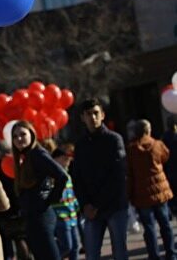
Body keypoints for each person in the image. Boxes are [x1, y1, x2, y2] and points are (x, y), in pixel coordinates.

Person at [71, 98, 128, 260]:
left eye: (96, 113)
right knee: (92, 253)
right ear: (82, 117)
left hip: (114, 206)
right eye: (88, 114)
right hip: (90, 209)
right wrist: (85, 204)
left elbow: (118, 176)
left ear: (102, 115)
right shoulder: (81, 145)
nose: (92, 117)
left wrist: (96, 204)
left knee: (119, 252)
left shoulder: (114, 139)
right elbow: (77, 177)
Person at [11, 120, 68, 260]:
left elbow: (62, 176)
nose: (19, 139)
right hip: (32, 218)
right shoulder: (25, 157)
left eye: (23, 134)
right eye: (15, 136)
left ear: (31, 134)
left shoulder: (38, 154)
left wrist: (49, 200)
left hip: (41, 217)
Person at [127, 119, 175, 260]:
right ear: (148, 130)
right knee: (165, 225)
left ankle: (154, 256)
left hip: (142, 195)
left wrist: (129, 194)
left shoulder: (131, 149)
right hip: (160, 191)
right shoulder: (157, 144)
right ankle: (171, 254)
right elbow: (166, 156)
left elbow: (129, 173)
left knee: (149, 227)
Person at [52, 147, 81, 260]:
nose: (67, 161)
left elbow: (71, 194)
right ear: (55, 159)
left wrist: (77, 207)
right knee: (66, 247)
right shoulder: (52, 176)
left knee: (75, 246)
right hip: (61, 216)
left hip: (72, 215)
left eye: (68, 159)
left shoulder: (67, 175)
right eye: (64, 158)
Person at [162, 117, 177, 214]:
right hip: (172, 166)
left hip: (170, 167)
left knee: (173, 189)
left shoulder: (164, 137)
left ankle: (174, 207)